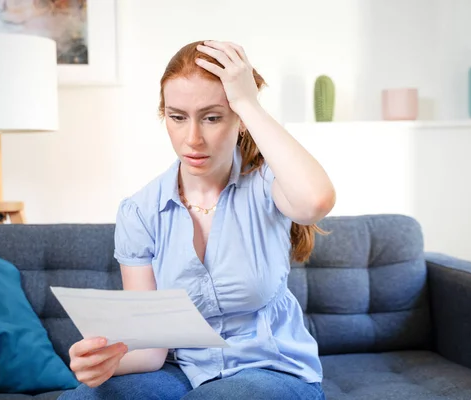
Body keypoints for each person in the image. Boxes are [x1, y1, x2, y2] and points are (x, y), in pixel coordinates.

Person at [58, 39, 335, 400]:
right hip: (180, 371)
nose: (192, 139)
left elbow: (315, 200)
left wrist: (249, 103)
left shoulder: (267, 184)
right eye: (177, 117)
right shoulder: (140, 212)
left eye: (212, 117)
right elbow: (151, 348)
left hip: (268, 370)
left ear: (239, 120)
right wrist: (105, 361)